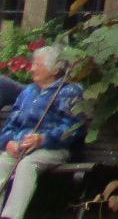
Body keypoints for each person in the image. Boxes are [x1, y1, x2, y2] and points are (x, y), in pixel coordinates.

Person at [0, 46, 85, 219]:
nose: (32, 69)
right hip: (20, 147)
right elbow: (11, 124)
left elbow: (74, 128)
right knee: (2, 162)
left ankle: (10, 216)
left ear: (55, 70)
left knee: (27, 164)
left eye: (37, 65)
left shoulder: (69, 91)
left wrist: (43, 139)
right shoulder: (28, 92)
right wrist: (8, 142)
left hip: (52, 149)